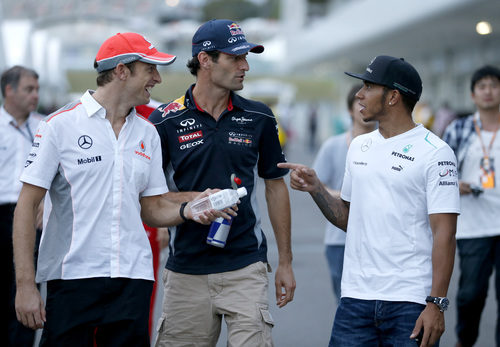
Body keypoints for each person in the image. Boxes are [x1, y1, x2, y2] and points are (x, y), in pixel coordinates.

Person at [12, 32, 229, 347]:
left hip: (133, 279)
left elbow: (152, 208)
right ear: (122, 71)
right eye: (150, 69)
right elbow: (26, 207)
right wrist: (25, 285)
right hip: (73, 279)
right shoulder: (59, 126)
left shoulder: (148, 133)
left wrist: (188, 210)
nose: (157, 78)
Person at [279, 55, 460, 347]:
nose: (359, 95)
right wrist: (317, 189)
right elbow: (348, 218)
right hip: (354, 299)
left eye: (368, 86)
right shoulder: (360, 147)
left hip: (410, 301)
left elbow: (445, 234)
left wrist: (436, 304)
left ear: (393, 96)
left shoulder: (436, 153)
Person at [149, 19, 296, 347]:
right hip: (186, 270)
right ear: (205, 60)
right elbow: (150, 196)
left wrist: (285, 261)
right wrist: (194, 203)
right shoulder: (164, 120)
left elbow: (275, 186)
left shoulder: (260, 116)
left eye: (247, 57)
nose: (245, 66)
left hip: (246, 267)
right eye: (235, 58)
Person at [442, 65, 500, 347]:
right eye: (482, 86)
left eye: (494, 85)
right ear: (473, 95)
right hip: (473, 226)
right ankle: (465, 342)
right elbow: (440, 173)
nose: (489, 91)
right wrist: (457, 185)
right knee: (470, 295)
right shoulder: (459, 128)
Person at [312, 83, 376, 304]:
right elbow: (316, 184)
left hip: (377, 238)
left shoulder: (387, 145)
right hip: (339, 239)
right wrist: (343, 195)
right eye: (358, 103)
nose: (363, 107)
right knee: (345, 303)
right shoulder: (333, 145)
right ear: (349, 110)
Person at [1, 65, 43, 346]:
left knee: (26, 289)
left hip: (31, 216)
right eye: (29, 89)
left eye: (37, 89)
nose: (35, 96)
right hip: (2, 212)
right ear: (9, 91)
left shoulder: (45, 127)